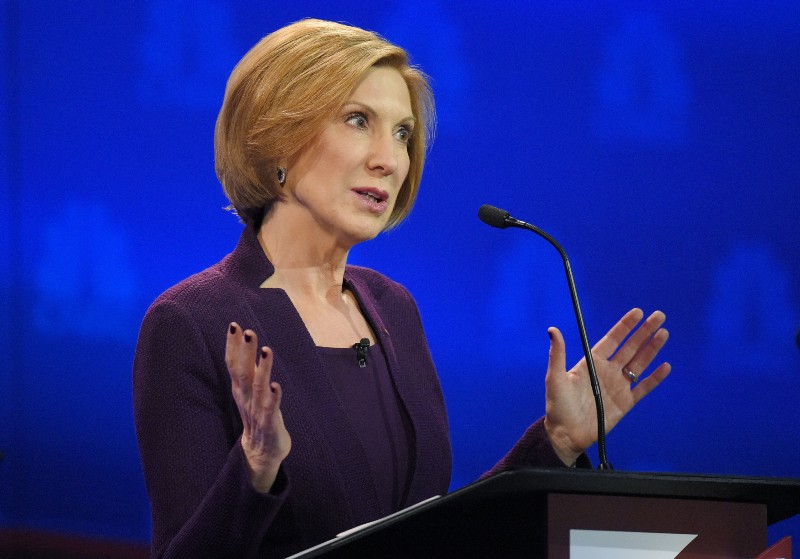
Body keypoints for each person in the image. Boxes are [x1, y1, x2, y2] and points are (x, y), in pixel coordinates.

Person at [133, 18, 671, 559]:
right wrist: (254, 470)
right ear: (276, 137)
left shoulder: (393, 308)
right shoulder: (191, 322)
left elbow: (433, 536)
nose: (389, 161)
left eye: (402, 133)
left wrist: (555, 441)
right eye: (357, 120)